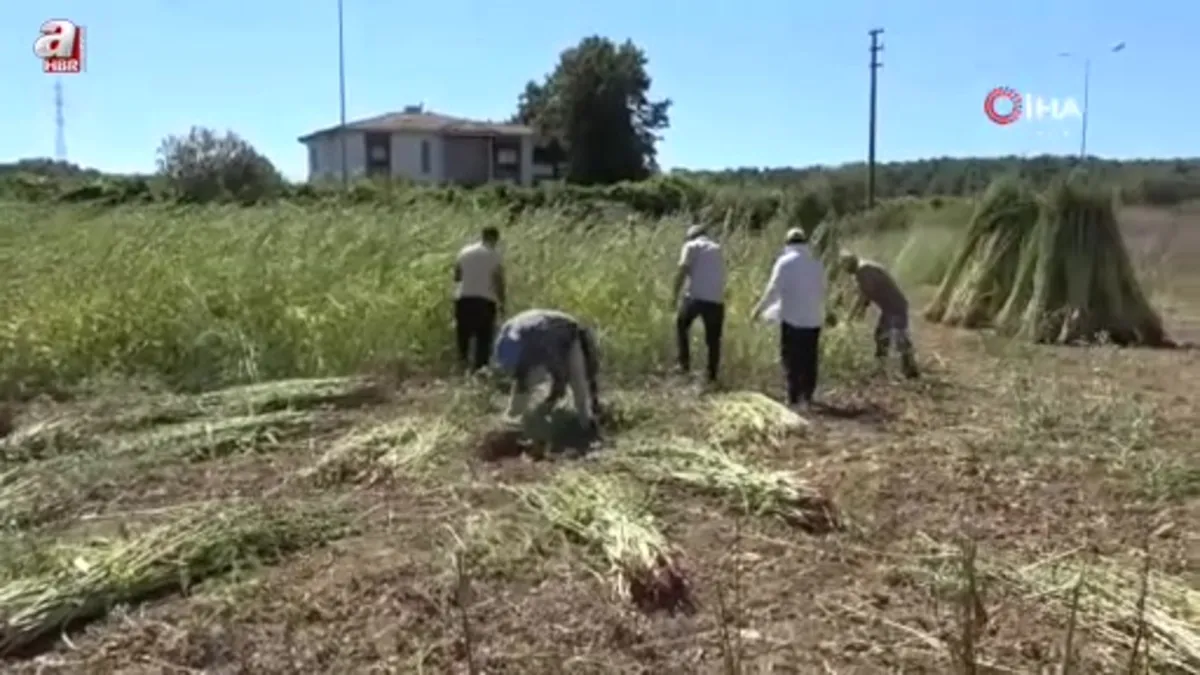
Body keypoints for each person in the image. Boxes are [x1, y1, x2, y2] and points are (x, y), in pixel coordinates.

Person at [750, 228, 827, 410]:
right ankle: (807, 396)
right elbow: (823, 291)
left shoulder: (784, 263)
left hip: (792, 319)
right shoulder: (816, 263)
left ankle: (793, 397)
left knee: (791, 358)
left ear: (787, 243)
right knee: (810, 358)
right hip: (813, 319)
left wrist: (758, 310)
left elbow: (772, 290)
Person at [492, 309, 602, 430]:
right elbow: (520, 377)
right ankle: (512, 417)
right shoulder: (505, 341)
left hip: (568, 332)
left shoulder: (544, 343)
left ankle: (585, 424)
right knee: (525, 380)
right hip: (537, 328)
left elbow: (560, 377)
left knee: (577, 380)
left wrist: (550, 400)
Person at [839, 251, 920, 378]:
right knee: (882, 336)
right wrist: (859, 311)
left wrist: (853, 315)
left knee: (899, 337)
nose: (843, 269)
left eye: (844, 265)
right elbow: (866, 294)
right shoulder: (864, 268)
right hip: (890, 307)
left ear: (850, 263)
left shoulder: (864, 270)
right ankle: (882, 368)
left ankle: (909, 370)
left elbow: (865, 295)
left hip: (895, 306)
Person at [671, 224, 726, 385]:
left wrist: (674, 294)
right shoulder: (717, 248)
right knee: (713, 338)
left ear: (691, 236)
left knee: (681, 324)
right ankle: (712, 375)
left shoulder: (690, 246)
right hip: (716, 300)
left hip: (695, 297)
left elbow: (682, 270)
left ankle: (684, 364)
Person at [453, 226, 506, 372]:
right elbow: (498, 280)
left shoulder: (464, 252)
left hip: (463, 298)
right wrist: (502, 302)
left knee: (463, 335)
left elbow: (457, 276)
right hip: (484, 300)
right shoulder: (494, 255)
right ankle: (479, 370)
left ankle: (461, 366)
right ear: (495, 238)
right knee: (484, 338)